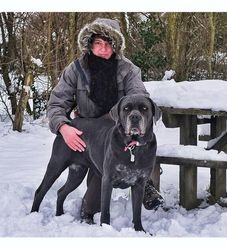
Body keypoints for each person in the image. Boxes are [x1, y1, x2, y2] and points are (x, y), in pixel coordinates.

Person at [46, 18, 164, 222]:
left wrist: (135, 115)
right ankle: (91, 209)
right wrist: (63, 127)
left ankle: (144, 184)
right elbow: (57, 103)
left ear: (116, 47)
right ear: (90, 45)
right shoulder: (76, 70)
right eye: (98, 43)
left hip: (118, 130)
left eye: (108, 44)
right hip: (89, 133)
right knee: (96, 193)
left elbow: (138, 96)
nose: (103, 49)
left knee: (139, 143)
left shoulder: (128, 70)